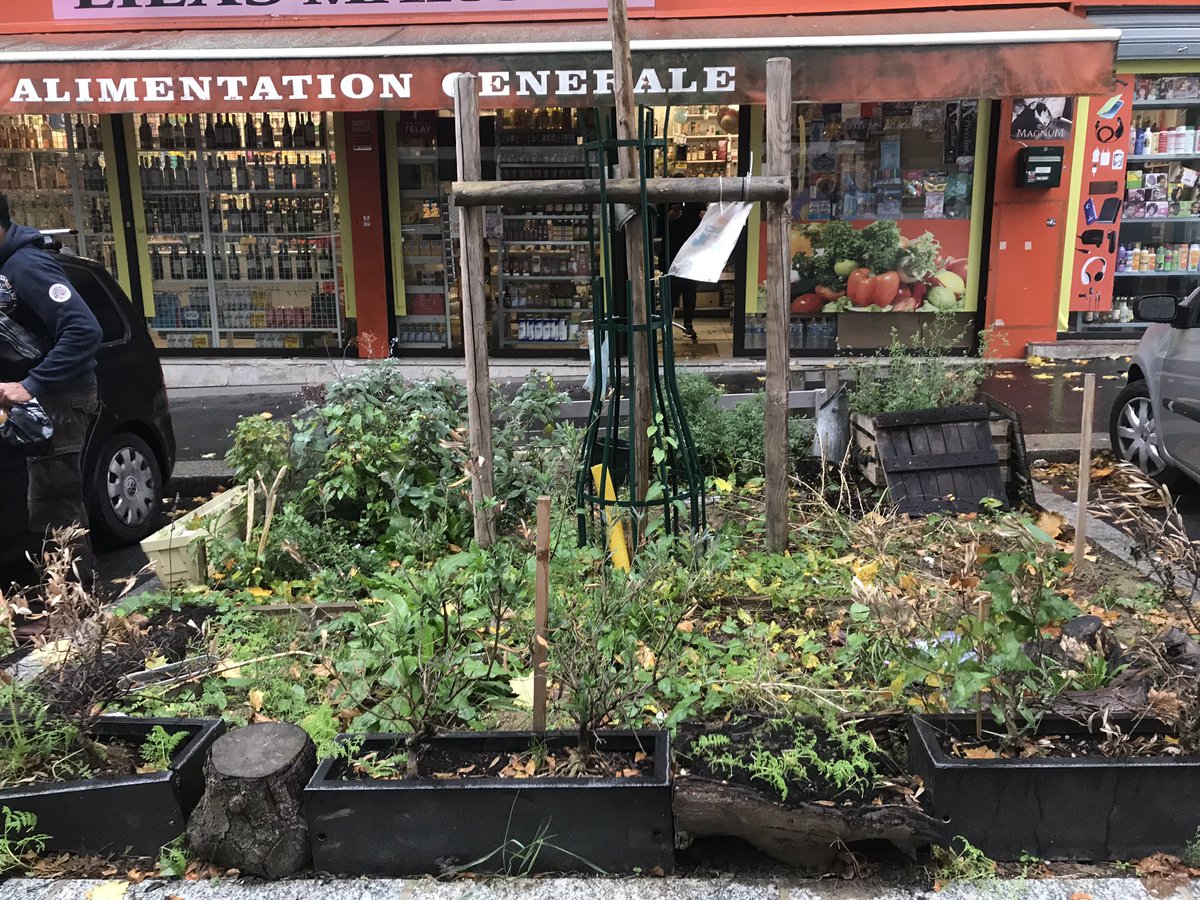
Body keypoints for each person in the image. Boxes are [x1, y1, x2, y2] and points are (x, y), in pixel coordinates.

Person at [0, 193, 103, 596]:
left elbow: (85, 330)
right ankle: (72, 604)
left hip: (60, 399)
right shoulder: (11, 264)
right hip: (47, 400)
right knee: (52, 503)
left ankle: (76, 612)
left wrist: (30, 385)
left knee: (55, 506)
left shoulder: (25, 265)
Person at [663, 194, 702, 340]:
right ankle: (682, 324)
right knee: (684, 291)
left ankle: (684, 324)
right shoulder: (666, 204)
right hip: (682, 253)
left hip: (682, 253)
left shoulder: (695, 203)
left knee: (682, 291)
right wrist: (668, 218)